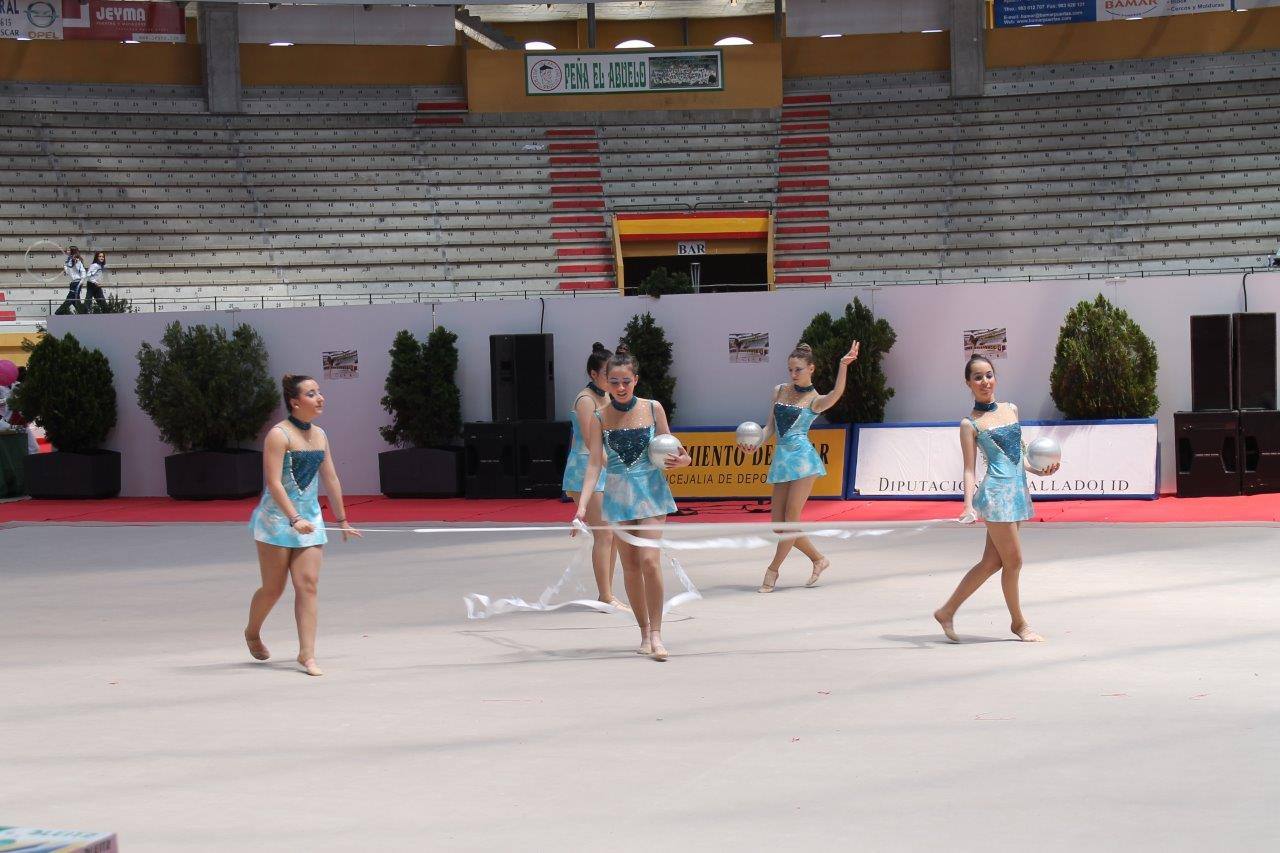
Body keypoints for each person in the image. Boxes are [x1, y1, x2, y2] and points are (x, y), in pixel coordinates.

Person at [572, 345, 691, 661]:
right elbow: (595, 464)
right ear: (606, 383)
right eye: (614, 382)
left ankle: (657, 633)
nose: (620, 388)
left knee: (650, 562)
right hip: (618, 499)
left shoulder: (653, 409)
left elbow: (675, 449)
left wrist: (684, 461)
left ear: (635, 380)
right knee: (631, 567)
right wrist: (582, 507)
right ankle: (642, 631)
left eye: (626, 381)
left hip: (651, 494)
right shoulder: (600, 417)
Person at [933, 355, 1061, 643]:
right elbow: (969, 468)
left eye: (988, 375)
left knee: (992, 563)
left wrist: (1041, 470)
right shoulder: (969, 424)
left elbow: (1020, 454)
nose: (984, 382)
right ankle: (1019, 623)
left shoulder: (1011, 409)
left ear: (995, 377)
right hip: (996, 495)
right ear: (968, 383)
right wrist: (968, 505)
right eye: (977, 377)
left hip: (1018, 492)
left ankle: (946, 611)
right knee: (1014, 561)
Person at [246, 374, 360, 676]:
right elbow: (273, 482)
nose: (320, 397)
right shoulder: (278, 435)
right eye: (312, 394)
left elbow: (331, 478)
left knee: (307, 586)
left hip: (311, 520)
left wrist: (343, 519)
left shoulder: (320, 435)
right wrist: (292, 519)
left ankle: (307, 654)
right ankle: (252, 632)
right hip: (276, 522)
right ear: (295, 402)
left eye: (319, 392)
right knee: (273, 589)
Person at [743, 340, 860, 593]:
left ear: (811, 369)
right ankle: (819, 559)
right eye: (790, 369)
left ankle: (772, 571)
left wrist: (843, 366)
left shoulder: (814, 400)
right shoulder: (780, 391)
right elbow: (770, 428)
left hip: (803, 462)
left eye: (798, 369)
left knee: (790, 521)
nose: (794, 374)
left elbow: (836, 394)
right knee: (779, 525)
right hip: (782, 460)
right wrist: (756, 443)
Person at [561, 342, 625, 610]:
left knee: (612, 534)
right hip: (585, 468)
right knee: (605, 534)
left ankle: (607, 593)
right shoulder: (586, 399)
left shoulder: (607, 396)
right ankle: (606, 595)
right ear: (593, 374)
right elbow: (590, 441)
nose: (612, 378)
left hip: (604, 465)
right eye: (606, 372)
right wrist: (617, 464)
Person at [55, 247, 86, 315]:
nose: (67, 251)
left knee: (69, 299)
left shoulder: (76, 260)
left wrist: (82, 280)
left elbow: (82, 271)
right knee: (76, 301)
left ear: (72, 251)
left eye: (69, 250)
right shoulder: (68, 260)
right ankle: (84, 314)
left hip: (77, 283)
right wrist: (65, 267)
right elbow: (69, 273)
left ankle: (58, 313)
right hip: (73, 283)